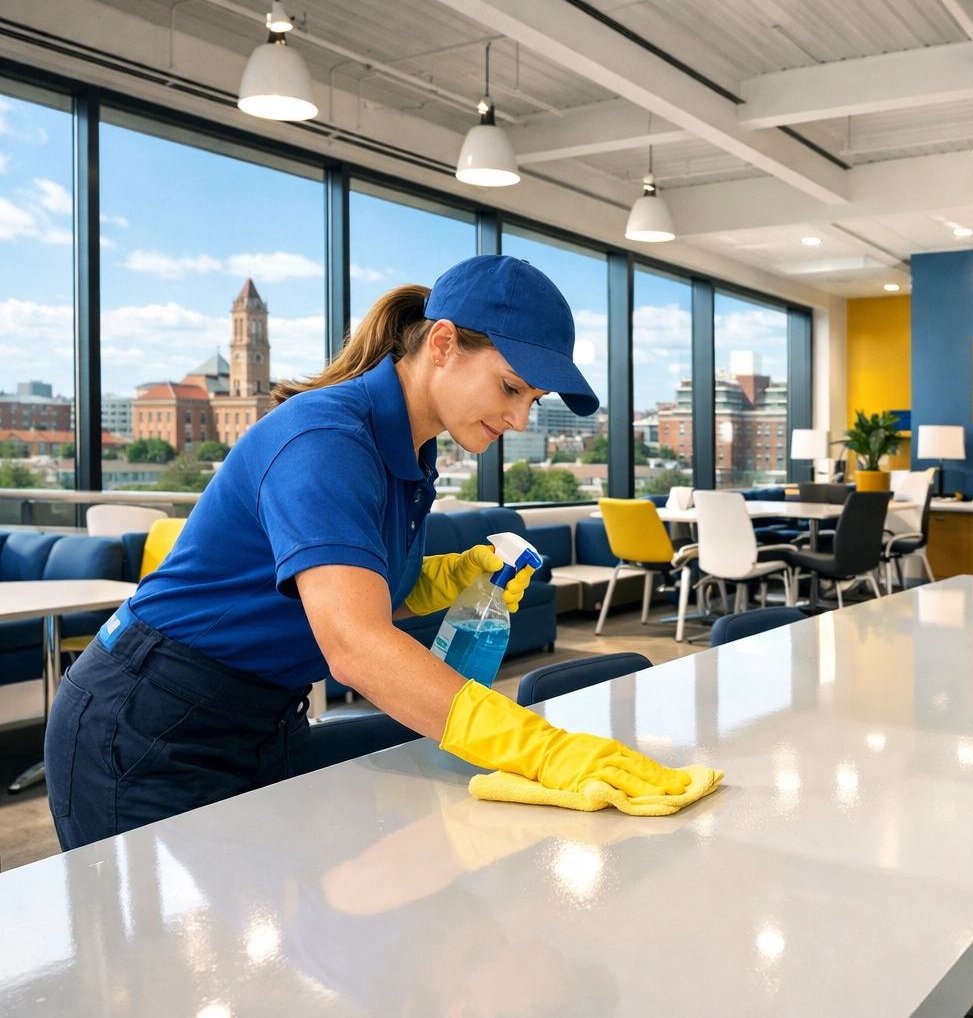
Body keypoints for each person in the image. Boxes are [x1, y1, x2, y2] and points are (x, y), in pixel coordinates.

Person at [44, 255, 693, 851]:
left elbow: (356, 590)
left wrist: (454, 576)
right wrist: (542, 750)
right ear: (442, 344)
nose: (520, 420)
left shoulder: (411, 452)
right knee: (165, 964)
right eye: (510, 387)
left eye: (532, 400)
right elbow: (354, 646)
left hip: (262, 716)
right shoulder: (325, 438)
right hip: (145, 721)